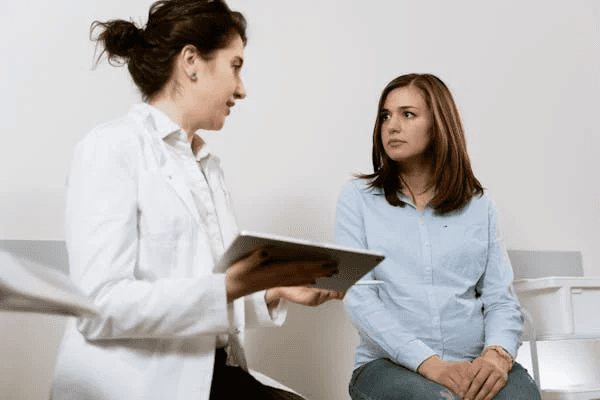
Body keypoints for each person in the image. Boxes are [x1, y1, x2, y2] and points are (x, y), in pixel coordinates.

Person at [51, 1, 343, 399]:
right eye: (235, 66)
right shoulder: (110, 148)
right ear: (191, 61)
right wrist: (226, 286)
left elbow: (203, 298)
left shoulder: (206, 165)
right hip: (137, 385)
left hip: (210, 376)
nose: (241, 89)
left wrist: (273, 290)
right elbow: (99, 306)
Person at [335, 73, 541, 400]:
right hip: (387, 367)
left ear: (439, 125)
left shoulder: (480, 207)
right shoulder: (357, 199)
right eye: (385, 115)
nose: (391, 125)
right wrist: (431, 365)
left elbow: (500, 298)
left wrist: (497, 356)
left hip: (477, 361)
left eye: (408, 114)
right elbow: (358, 298)